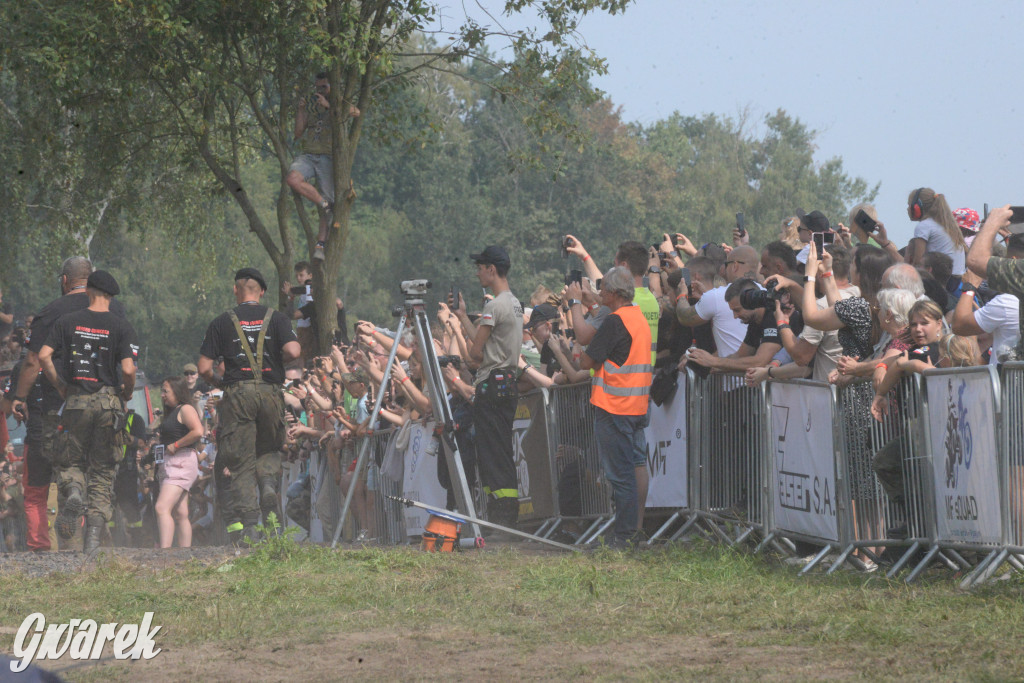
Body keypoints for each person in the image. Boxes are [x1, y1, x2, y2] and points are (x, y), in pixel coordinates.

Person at [37, 270, 139, 553]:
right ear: (110, 296)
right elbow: (129, 369)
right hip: (109, 404)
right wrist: (126, 393)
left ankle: (73, 491)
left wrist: (59, 385)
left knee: (70, 460)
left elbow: (43, 355)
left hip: (76, 401)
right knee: (104, 470)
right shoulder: (121, 326)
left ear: (88, 292)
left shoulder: (67, 322)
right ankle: (93, 538)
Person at [197, 268, 301, 543]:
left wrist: (222, 381)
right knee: (267, 448)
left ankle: (251, 526)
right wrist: (276, 367)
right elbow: (293, 352)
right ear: (262, 292)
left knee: (240, 462)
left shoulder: (221, 322)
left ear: (235, 290)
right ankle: (267, 485)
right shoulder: (276, 318)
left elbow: (204, 367)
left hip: (238, 394)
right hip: (270, 393)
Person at [579, 266, 651, 548]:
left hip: (614, 407)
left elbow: (586, 362)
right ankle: (630, 532)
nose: (600, 293)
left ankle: (623, 536)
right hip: (635, 407)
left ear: (613, 292)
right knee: (632, 469)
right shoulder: (638, 319)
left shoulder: (614, 321)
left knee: (620, 476)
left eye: (603, 289)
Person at [453, 246, 523, 528]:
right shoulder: (514, 302)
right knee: (501, 451)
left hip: (491, 387)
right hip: (507, 383)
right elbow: (485, 344)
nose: (477, 272)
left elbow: (475, 354)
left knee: (492, 455)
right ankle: (505, 517)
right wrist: (461, 318)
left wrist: (468, 336)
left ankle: (501, 519)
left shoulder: (494, 306)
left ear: (492, 270)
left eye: (480, 267)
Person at [284, 72, 360, 262]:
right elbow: (298, 132)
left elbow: (356, 112)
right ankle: (323, 204)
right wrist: (301, 109)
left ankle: (321, 245)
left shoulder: (340, 104)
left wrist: (331, 106)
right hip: (309, 155)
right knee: (292, 178)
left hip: (328, 157)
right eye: (317, 87)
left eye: (323, 87)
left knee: (333, 200)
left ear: (332, 87)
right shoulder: (312, 106)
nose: (320, 91)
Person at [155, 377, 204, 548]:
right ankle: (184, 553)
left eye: (165, 391)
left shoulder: (186, 409)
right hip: (171, 463)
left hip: (181, 462)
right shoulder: (173, 411)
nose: (162, 395)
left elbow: (198, 431)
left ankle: (164, 552)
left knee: (162, 507)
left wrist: (176, 445)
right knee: (181, 512)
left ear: (177, 391)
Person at [904, 187, 967, 292]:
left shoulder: (924, 226)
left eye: (909, 205)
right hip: (957, 281)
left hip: (942, 281)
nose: (907, 209)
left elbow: (918, 262)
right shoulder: (947, 225)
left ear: (917, 207)